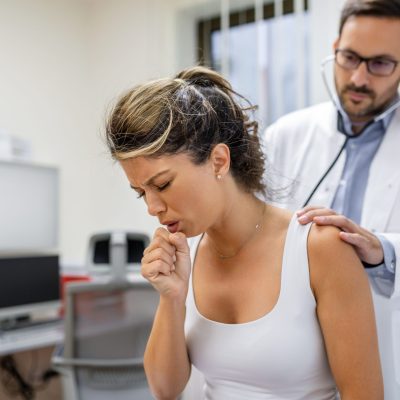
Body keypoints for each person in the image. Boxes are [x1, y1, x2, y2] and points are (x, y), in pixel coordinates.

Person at [104, 65, 382, 399]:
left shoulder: (319, 248)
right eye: (141, 192)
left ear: (219, 161)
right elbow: (164, 389)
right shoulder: (185, 257)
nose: (152, 207)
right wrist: (171, 297)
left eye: (162, 184)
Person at [263, 0, 400, 398]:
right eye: (350, 57)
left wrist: (384, 248)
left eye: (380, 64)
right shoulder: (285, 135)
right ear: (335, 46)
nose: (358, 77)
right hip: (293, 359)